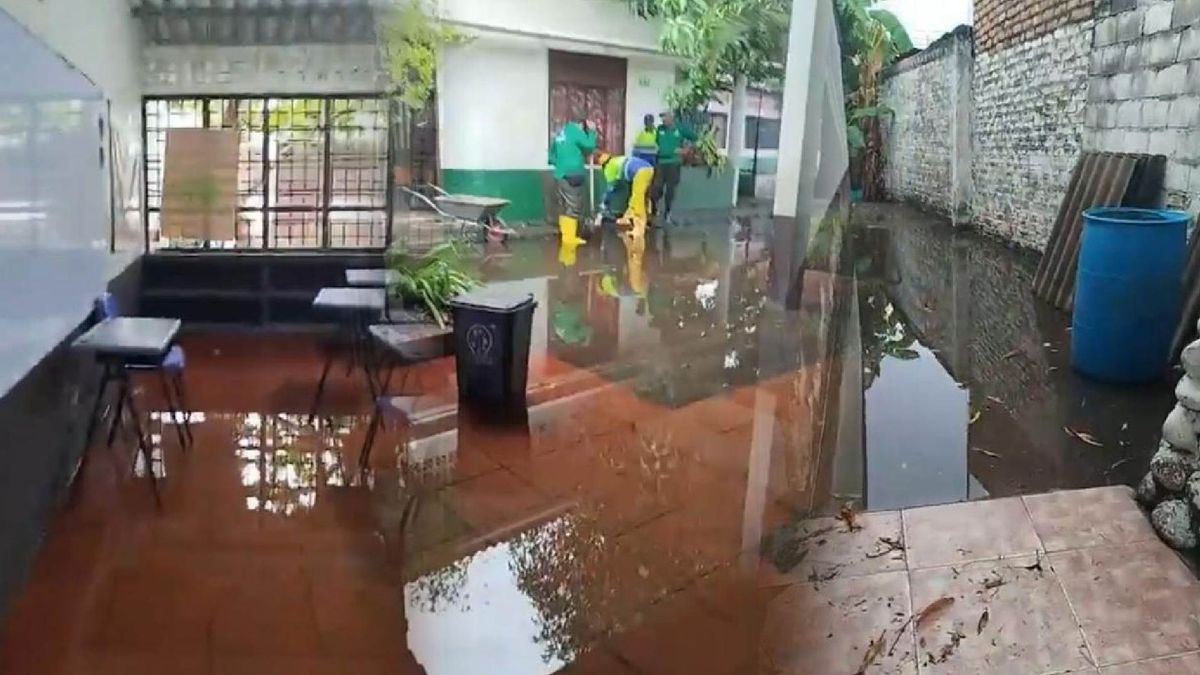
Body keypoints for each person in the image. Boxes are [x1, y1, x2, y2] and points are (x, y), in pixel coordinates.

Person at [549, 115, 598, 250]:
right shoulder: (576, 132)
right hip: (573, 174)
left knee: (565, 206)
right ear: (581, 124)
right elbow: (589, 146)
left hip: (560, 174)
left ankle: (566, 236)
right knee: (573, 206)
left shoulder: (561, 132)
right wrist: (593, 132)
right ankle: (570, 238)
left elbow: (551, 156)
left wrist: (561, 164)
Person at [651, 111, 696, 224]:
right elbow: (655, 142)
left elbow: (695, 138)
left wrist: (686, 150)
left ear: (672, 118)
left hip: (674, 163)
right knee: (657, 188)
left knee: (670, 190)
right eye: (662, 119)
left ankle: (668, 213)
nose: (663, 120)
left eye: (665, 118)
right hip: (661, 162)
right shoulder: (660, 129)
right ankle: (654, 209)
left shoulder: (679, 129)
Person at [597, 152, 654, 239]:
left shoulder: (609, 166)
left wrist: (605, 201)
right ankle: (639, 221)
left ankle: (639, 230)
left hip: (640, 172)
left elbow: (611, 187)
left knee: (637, 200)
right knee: (640, 198)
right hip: (649, 169)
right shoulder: (617, 160)